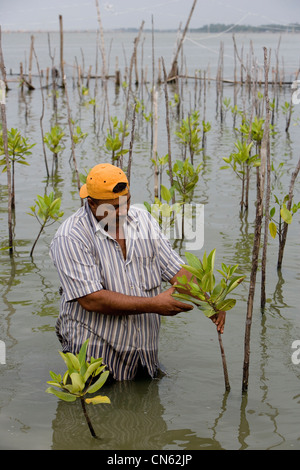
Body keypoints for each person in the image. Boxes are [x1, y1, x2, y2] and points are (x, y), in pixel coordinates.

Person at [50, 163, 225, 381]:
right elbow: (91, 300)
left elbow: (175, 270)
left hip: (143, 352)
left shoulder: (143, 221)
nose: (123, 211)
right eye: (113, 207)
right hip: (94, 352)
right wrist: (154, 305)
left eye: (127, 201)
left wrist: (209, 302)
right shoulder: (71, 237)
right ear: (92, 204)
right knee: (95, 411)